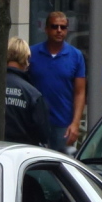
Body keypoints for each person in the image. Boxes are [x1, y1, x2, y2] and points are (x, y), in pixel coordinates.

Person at [27, 12, 85, 152]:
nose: (59, 30)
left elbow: (80, 92)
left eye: (63, 27)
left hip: (64, 125)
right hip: (36, 124)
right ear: (46, 29)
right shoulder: (31, 53)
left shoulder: (76, 56)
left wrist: (76, 123)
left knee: (61, 168)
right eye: (54, 26)